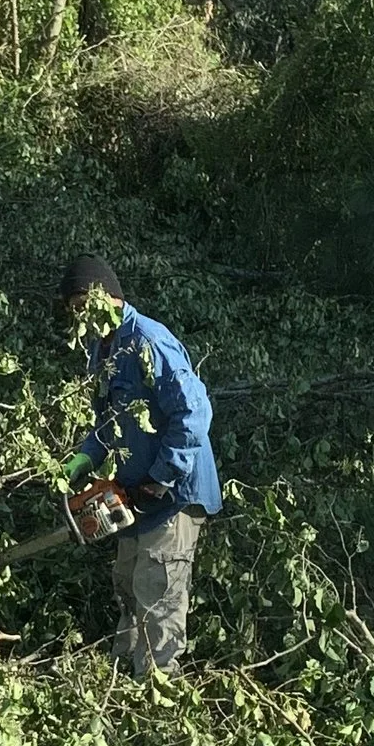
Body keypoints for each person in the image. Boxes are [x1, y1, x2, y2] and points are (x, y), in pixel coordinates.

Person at [57, 252, 221, 678]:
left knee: (158, 597)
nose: (80, 318)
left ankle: (156, 693)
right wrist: (80, 460)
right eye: (72, 311)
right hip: (136, 496)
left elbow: (194, 415)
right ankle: (120, 683)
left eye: (82, 307)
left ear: (106, 298)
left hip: (173, 494)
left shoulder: (148, 339)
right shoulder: (102, 348)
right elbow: (108, 424)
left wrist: (161, 476)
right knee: (128, 587)